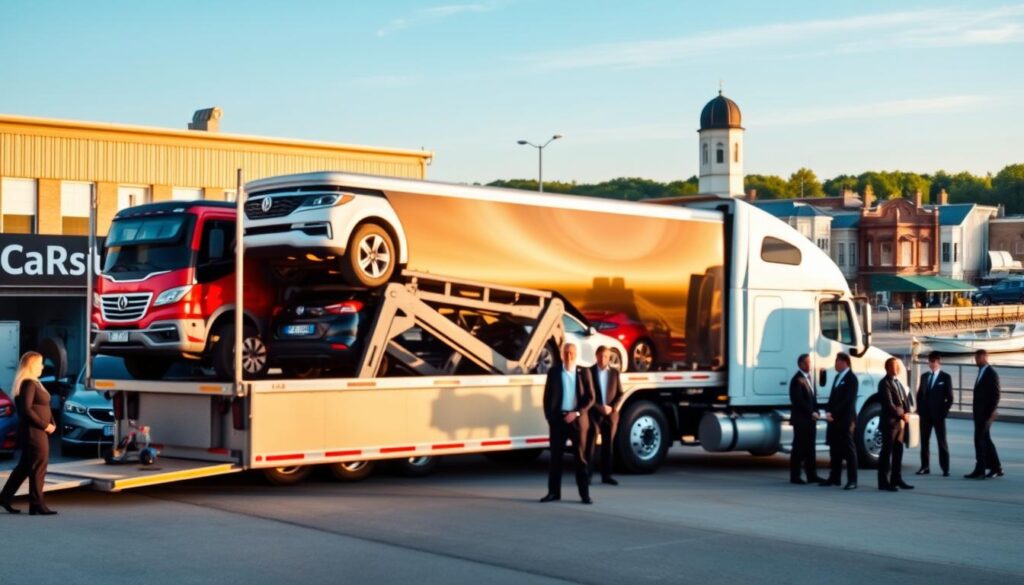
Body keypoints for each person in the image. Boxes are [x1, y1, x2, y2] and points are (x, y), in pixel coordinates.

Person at [0, 351, 57, 515]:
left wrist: (52, 421)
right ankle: (37, 504)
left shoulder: (36, 382)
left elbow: (44, 407)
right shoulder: (28, 384)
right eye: (40, 363)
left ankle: (4, 497)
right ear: (32, 365)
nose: (42, 366)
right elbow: (26, 409)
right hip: (34, 432)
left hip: (39, 431)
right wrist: (45, 425)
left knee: (24, 467)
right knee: (39, 467)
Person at [540, 343, 595, 504]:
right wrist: (550, 418)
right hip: (558, 421)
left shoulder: (583, 372)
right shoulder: (554, 372)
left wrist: (576, 412)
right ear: (562, 354)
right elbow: (547, 398)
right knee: (555, 459)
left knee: (580, 459)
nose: (568, 356)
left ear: (575, 354)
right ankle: (553, 493)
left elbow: (591, 398)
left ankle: (585, 495)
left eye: (571, 353)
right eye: (565, 353)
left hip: (578, 421)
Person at [820, 353, 858, 490]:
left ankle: (852, 480)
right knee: (834, 449)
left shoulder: (851, 379)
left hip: (845, 420)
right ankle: (834, 477)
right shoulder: (837, 377)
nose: (835, 364)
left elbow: (848, 401)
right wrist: (828, 411)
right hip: (834, 419)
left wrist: (833, 412)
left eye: (837, 361)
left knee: (849, 450)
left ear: (844, 362)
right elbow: (832, 398)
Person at [587, 346, 622, 486]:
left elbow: (620, 393)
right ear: (596, 356)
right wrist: (597, 406)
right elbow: (585, 394)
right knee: (590, 445)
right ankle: (587, 476)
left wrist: (612, 408)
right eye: (601, 356)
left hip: (610, 414)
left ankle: (607, 476)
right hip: (594, 413)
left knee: (608, 445)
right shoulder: (589, 372)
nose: (603, 359)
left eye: (606, 357)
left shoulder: (614, 373)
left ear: (609, 358)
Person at [877, 358, 914, 492]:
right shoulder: (884, 383)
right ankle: (883, 481)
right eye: (894, 366)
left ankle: (896, 478)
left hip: (900, 423)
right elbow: (889, 404)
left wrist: (908, 412)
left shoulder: (898, 382)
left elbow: (905, 400)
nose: (897, 368)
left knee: (899, 452)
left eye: (898, 366)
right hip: (890, 423)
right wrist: (901, 415)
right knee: (886, 453)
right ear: (887, 368)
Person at [966, 349, 1002, 479]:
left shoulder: (991, 373)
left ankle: (980, 469)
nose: (975, 360)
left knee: (979, 440)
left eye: (977, 358)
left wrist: (991, 412)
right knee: (985, 439)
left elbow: (996, 394)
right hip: (979, 413)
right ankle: (996, 467)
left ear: (984, 357)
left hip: (986, 414)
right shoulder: (981, 372)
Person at [916, 351, 954, 476]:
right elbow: (920, 394)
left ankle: (945, 468)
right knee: (924, 442)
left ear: (939, 362)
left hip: (939, 415)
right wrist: (920, 410)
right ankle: (925, 467)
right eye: (929, 362)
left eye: (933, 362)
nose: (931, 364)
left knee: (942, 442)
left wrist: (944, 412)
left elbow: (950, 398)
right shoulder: (924, 376)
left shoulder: (945, 377)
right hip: (925, 415)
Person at [789, 354, 821, 485]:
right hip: (801, 420)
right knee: (799, 447)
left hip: (810, 420)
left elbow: (813, 399)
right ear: (801, 364)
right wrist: (811, 412)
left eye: (810, 362)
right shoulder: (797, 380)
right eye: (807, 363)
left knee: (810, 448)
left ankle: (812, 475)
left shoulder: (809, 379)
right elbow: (798, 401)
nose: (810, 365)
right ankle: (795, 476)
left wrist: (817, 411)